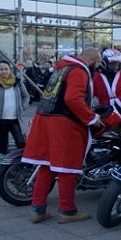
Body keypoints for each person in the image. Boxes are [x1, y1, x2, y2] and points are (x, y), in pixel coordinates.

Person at [21, 48, 105, 223]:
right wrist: (92, 118)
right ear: (91, 59)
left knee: (46, 165)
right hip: (64, 123)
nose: (98, 67)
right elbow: (73, 99)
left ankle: (38, 209)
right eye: (97, 63)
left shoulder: (61, 68)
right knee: (68, 167)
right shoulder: (78, 71)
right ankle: (67, 211)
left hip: (44, 119)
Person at [0, 60, 30, 155]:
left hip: (16, 119)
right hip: (0, 120)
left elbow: (26, 96)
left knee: (21, 143)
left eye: (6, 69)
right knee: (2, 145)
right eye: (1, 69)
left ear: (10, 70)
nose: (4, 71)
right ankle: (2, 165)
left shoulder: (17, 82)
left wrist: (23, 107)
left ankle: (21, 165)